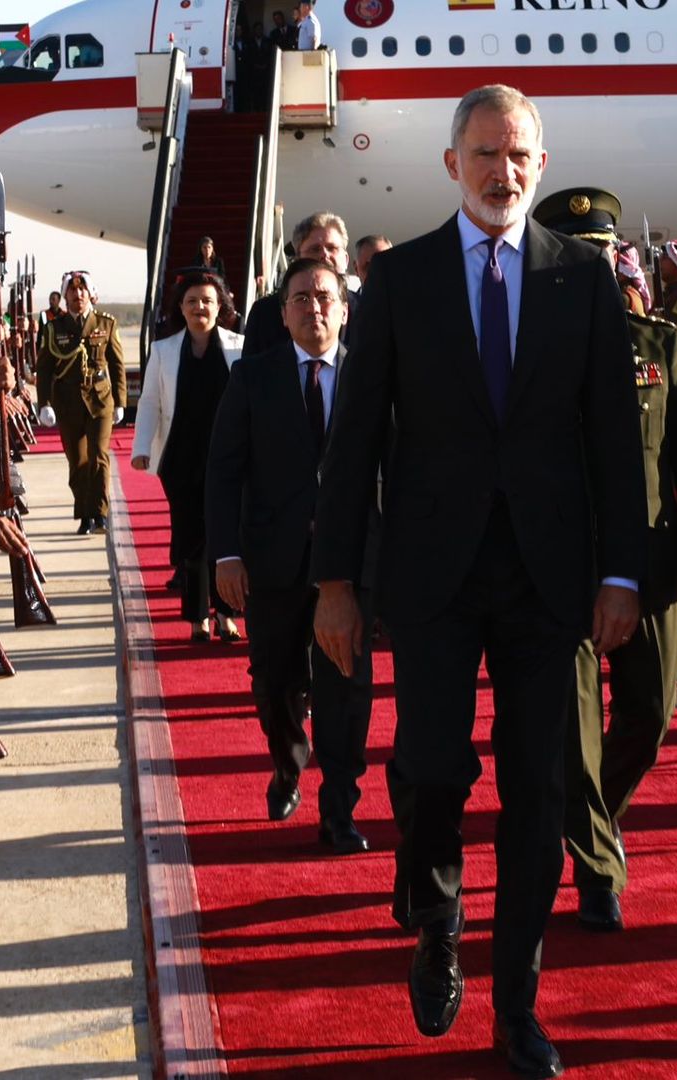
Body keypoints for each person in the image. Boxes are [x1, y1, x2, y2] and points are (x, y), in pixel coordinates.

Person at [310, 85, 646, 1079]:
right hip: (433, 575)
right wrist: (336, 580)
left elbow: (613, 444)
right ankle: (437, 918)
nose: (506, 172)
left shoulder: (580, 282)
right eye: (488, 154)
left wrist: (622, 570)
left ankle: (518, 1009)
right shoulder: (403, 281)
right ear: (453, 164)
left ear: (540, 167)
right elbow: (356, 442)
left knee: (540, 790)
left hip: (551, 578)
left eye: (522, 155)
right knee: (429, 773)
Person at [534, 186, 677, 935]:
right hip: (562, 566)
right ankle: (599, 868)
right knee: (575, 730)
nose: (595, 269)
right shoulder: (526, 351)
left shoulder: (659, 343)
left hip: (650, 566)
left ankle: (596, 819)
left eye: (604, 256)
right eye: (579, 258)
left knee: (651, 717)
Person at [207, 258, 375, 852]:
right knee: (275, 683)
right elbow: (224, 472)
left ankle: (339, 808)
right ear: (283, 314)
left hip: (351, 567)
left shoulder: (370, 378)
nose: (314, 307)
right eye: (300, 298)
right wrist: (225, 555)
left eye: (325, 296)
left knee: (347, 688)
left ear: (345, 310)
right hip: (271, 563)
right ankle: (287, 762)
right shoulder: (254, 378)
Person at [133, 271, 245, 640]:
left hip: (228, 458)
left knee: (225, 534)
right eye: (193, 301)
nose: (200, 307)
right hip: (180, 458)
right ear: (180, 307)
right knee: (192, 536)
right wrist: (141, 448)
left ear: (221, 306)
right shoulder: (164, 351)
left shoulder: (238, 348)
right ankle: (198, 618)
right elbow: (148, 401)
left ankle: (226, 614)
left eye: (208, 301)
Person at [37, 270, 126, 533]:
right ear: (65, 297)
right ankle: (85, 515)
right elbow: (44, 368)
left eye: (82, 290)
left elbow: (117, 365)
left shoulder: (106, 323)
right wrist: (44, 403)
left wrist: (121, 401)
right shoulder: (54, 328)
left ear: (90, 294)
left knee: (99, 457)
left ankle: (100, 514)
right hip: (68, 402)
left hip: (100, 400)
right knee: (77, 462)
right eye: (72, 291)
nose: (78, 295)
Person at [242, 211, 349, 355]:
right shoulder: (265, 313)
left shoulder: (367, 310)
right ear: (297, 258)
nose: (324, 255)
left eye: (332, 248)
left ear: (346, 259)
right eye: (315, 249)